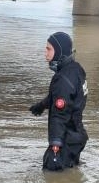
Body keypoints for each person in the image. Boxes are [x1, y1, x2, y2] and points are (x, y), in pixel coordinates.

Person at [29, 31, 89, 171]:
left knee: (52, 174)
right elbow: (65, 97)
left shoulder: (62, 79)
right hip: (77, 136)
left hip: (66, 139)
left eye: (49, 49)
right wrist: (42, 105)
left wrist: (55, 145)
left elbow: (60, 114)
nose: (45, 53)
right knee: (70, 173)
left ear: (59, 51)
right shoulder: (76, 69)